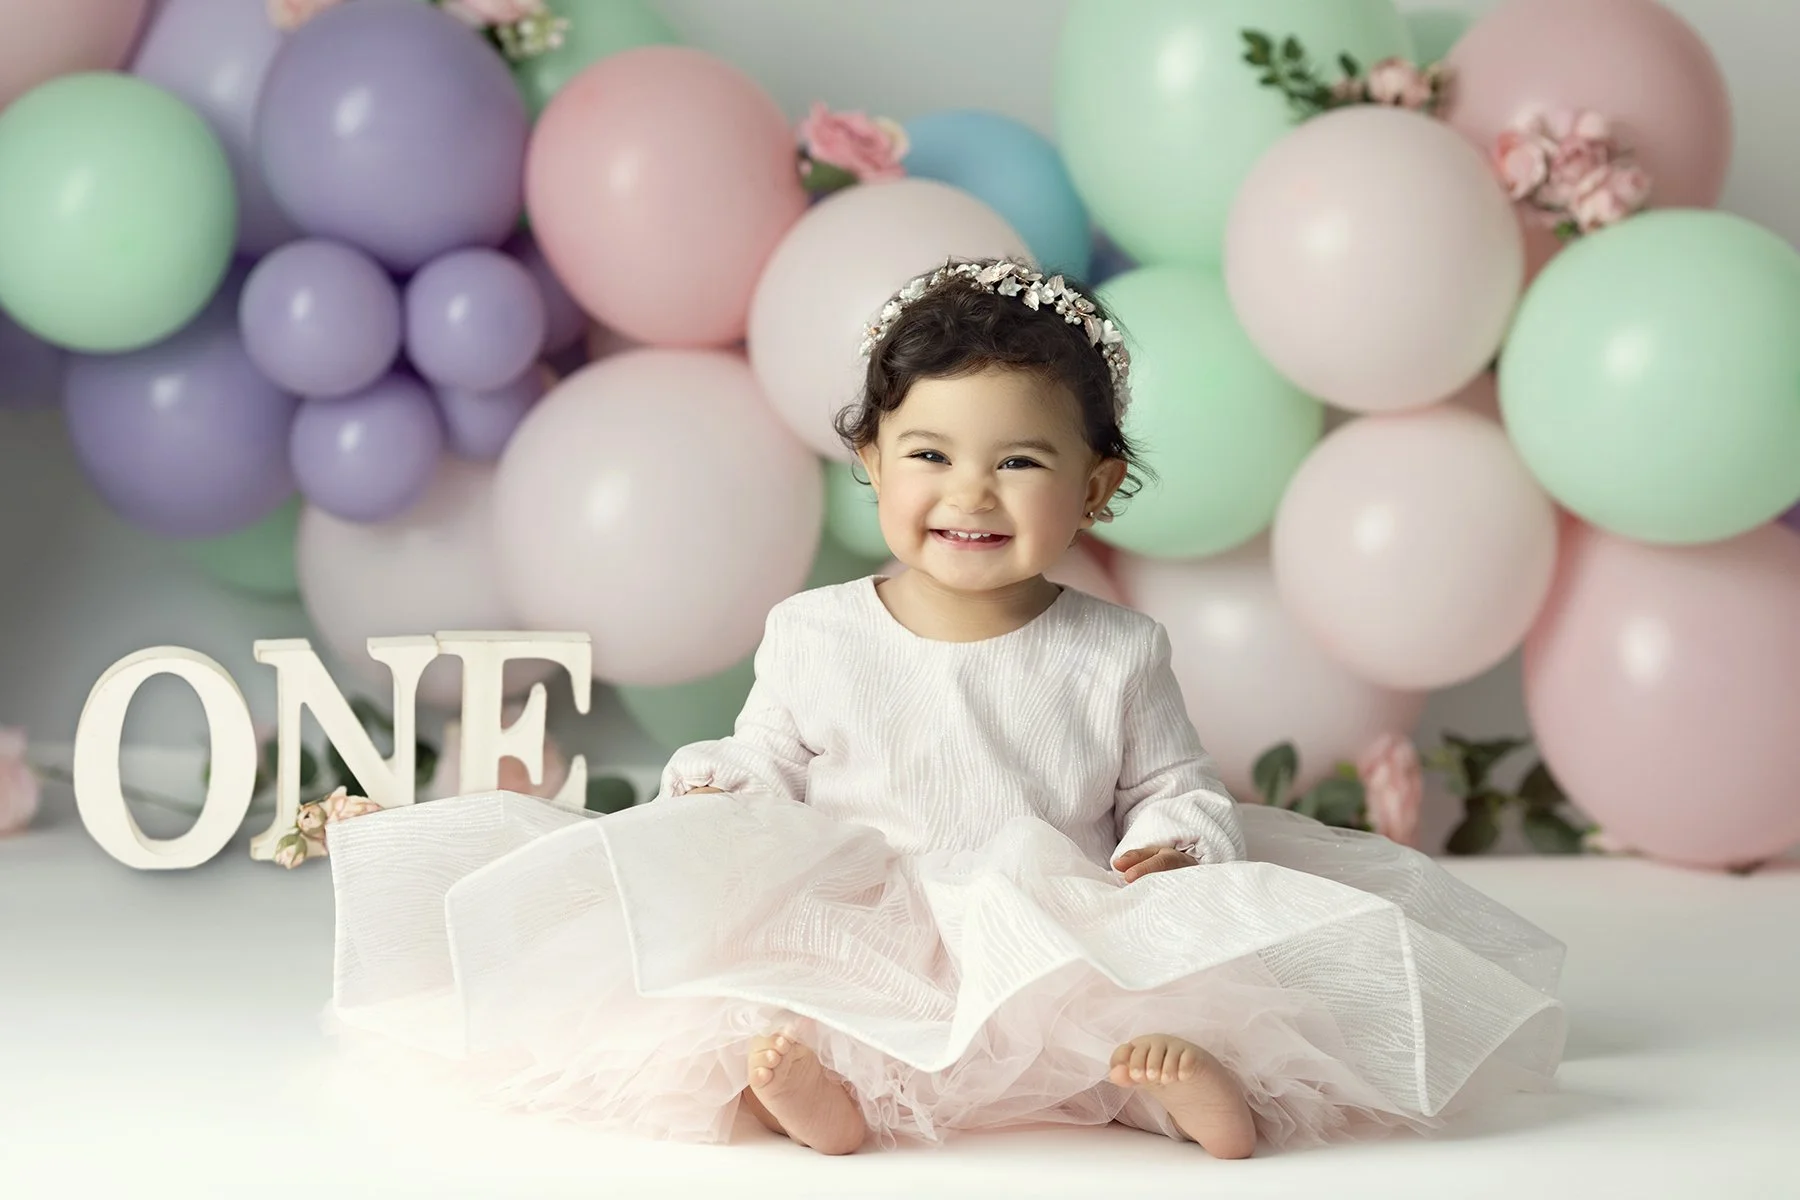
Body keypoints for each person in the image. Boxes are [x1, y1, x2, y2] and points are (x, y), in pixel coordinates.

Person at [324, 258, 1567, 1159]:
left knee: (1128, 1019)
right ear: (869, 462)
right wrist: (721, 789)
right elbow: (769, 753)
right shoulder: (815, 632)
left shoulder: (1114, 652)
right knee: (768, 1002)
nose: (968, 490)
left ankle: (1197, 1100)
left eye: (1020, 461)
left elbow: (1171, 783)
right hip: (871, 911)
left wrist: (1172, 842)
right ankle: (810, 1103)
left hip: (1059, 921)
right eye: (928, 454)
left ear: (1099, 485)